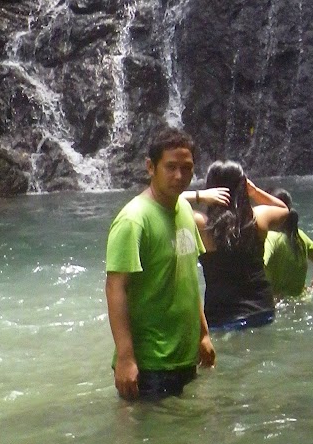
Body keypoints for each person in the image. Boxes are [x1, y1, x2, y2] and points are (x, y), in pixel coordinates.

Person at [104, 126, 222, 400]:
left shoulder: (183, 211)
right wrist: (125, 358)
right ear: (150, 167)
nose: (179, 176)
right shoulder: (134, 220)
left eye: (187, 167)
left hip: (183, 355)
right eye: (170, 167)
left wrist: (203, 334)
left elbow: (188, 277)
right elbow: (115, 287)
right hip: (149, 364)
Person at [184, 160, 291, 330]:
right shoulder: (258, 218)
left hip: (221, 317)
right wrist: (254, 192)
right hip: (262, 311)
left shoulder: (202, 224)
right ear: (243, 186)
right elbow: (284, 208)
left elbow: (164, 202)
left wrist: (199, 195)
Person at [262, 189, 313, 298]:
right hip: (301, 302)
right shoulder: (299, 235)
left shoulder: (270, 238)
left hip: (277, 308)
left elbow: (259, 267)